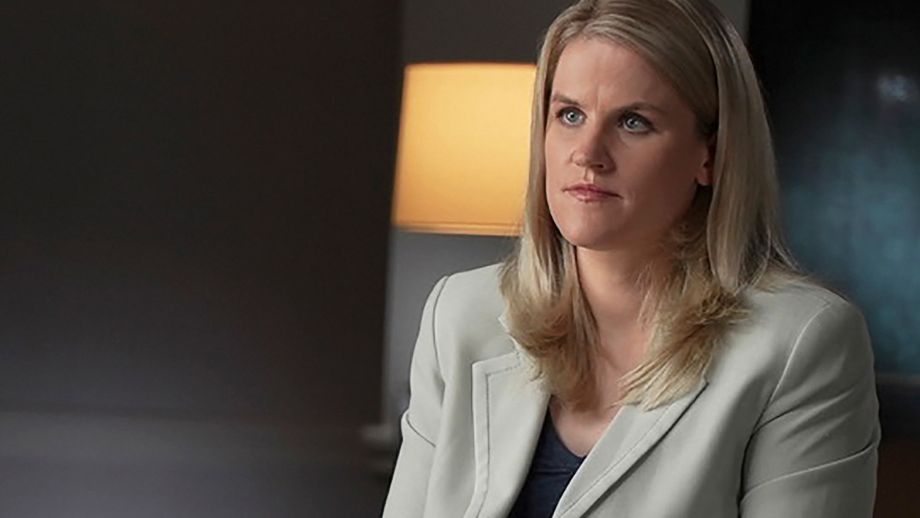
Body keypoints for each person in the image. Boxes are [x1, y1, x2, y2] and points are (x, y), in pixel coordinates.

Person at [382, 0, 881, 516]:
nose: (587, 153)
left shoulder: (801, 343)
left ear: (710, 154)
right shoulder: (460, 314)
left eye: (633, 122)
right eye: (570, 115)